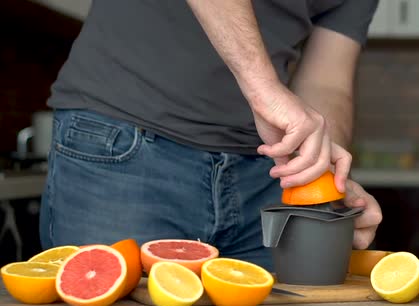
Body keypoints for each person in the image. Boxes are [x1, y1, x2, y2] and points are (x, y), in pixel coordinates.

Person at [40, 0, 382, 271]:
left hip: (264, 176)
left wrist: (324, 174)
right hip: (124, 150)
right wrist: (263, 88)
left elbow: (327, 83)